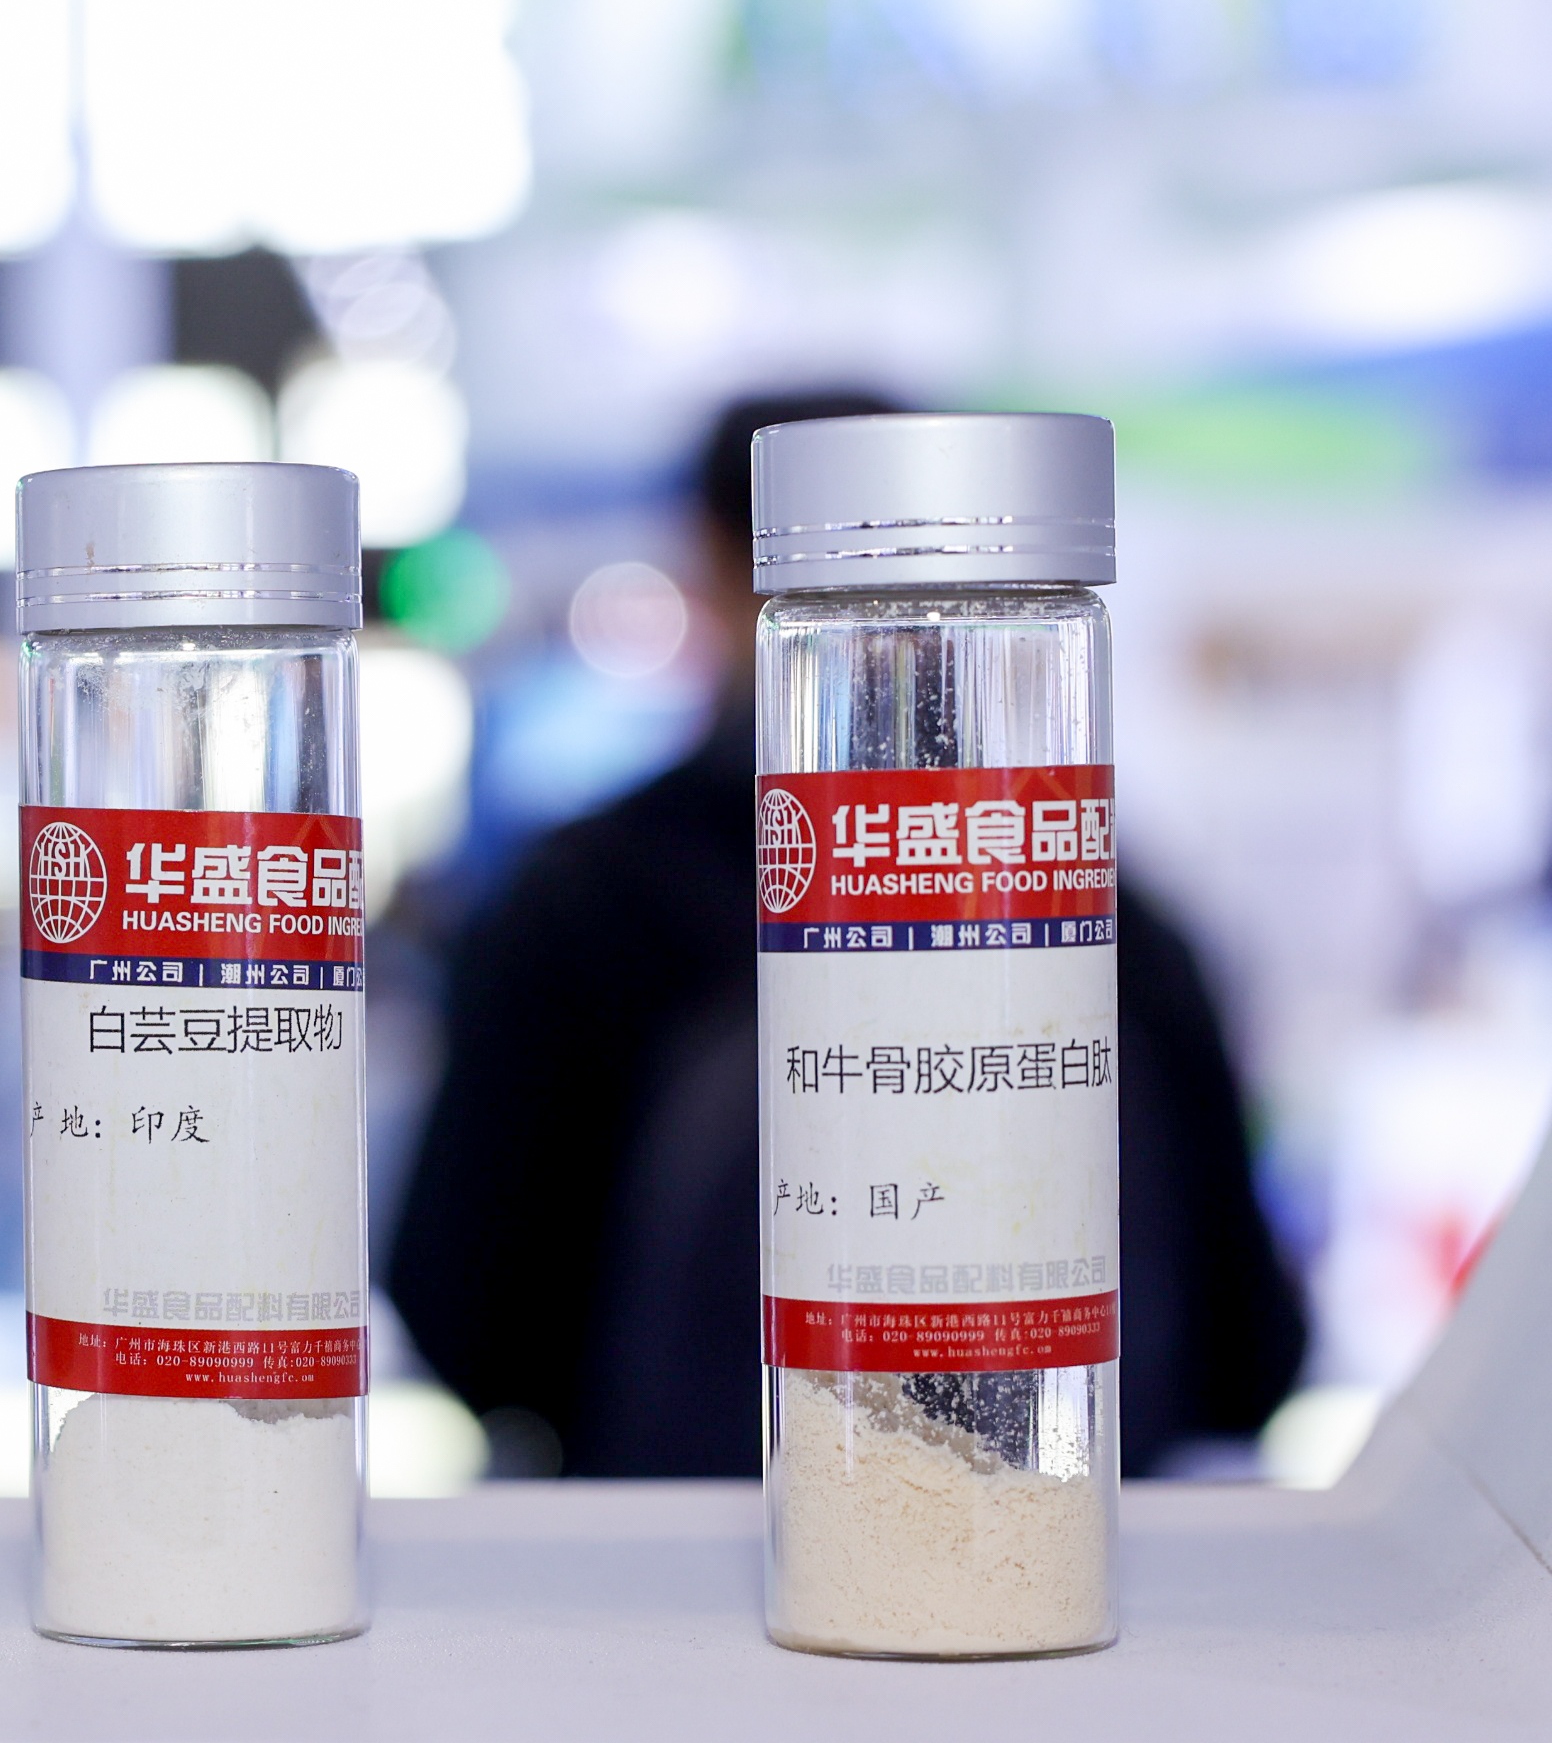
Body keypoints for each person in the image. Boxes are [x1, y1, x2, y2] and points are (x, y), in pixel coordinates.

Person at [386, 393, 1309, 1476]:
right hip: (1044, 1517)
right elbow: (1253, 1352)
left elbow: (460, 1307)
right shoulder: (1097, 909)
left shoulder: (580, 903)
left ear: (710, 561)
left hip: (663, 1538)